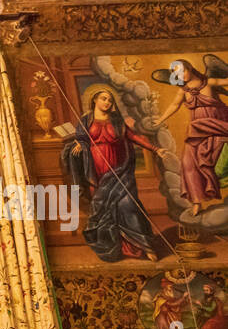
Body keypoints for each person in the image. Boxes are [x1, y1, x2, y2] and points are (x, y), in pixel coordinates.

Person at [61, 88, 167, 262]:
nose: (107, 102)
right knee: (103, 210)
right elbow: (81, 138)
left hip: (119, 169)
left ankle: (144, 245)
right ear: (95, 99)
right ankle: (113, 247)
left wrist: (155, 149)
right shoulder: (86, 120)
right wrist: (80, 144)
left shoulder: (116, 120)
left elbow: (132, 136)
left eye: (110, 100)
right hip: (95, 172)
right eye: (103, 98)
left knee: (128, 205)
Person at [152, 57, 228, 216]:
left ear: (190, 68)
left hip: (218, 126)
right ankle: (196, 201)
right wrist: (160, 119)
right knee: (188, 163)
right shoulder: (183, 90)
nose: (181, 75)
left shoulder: (209, 82)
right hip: (197, 130)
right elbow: (174, 105)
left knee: (216, 159)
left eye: (183, 70)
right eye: (177, 74)